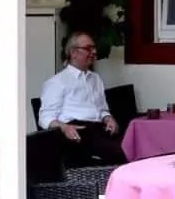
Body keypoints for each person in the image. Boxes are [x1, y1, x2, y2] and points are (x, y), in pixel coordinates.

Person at [38, 32, 127, 167]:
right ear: (74, 53)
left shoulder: (95, 79)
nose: (94, 52)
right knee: (121, 152)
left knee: (132, 144)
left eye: (94, 48)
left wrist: (108, 118)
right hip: (77, 132)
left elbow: (102, 109)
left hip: (99, 129)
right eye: (88, 48)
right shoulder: (58, 82)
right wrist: (64, 128)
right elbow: (44, 117)